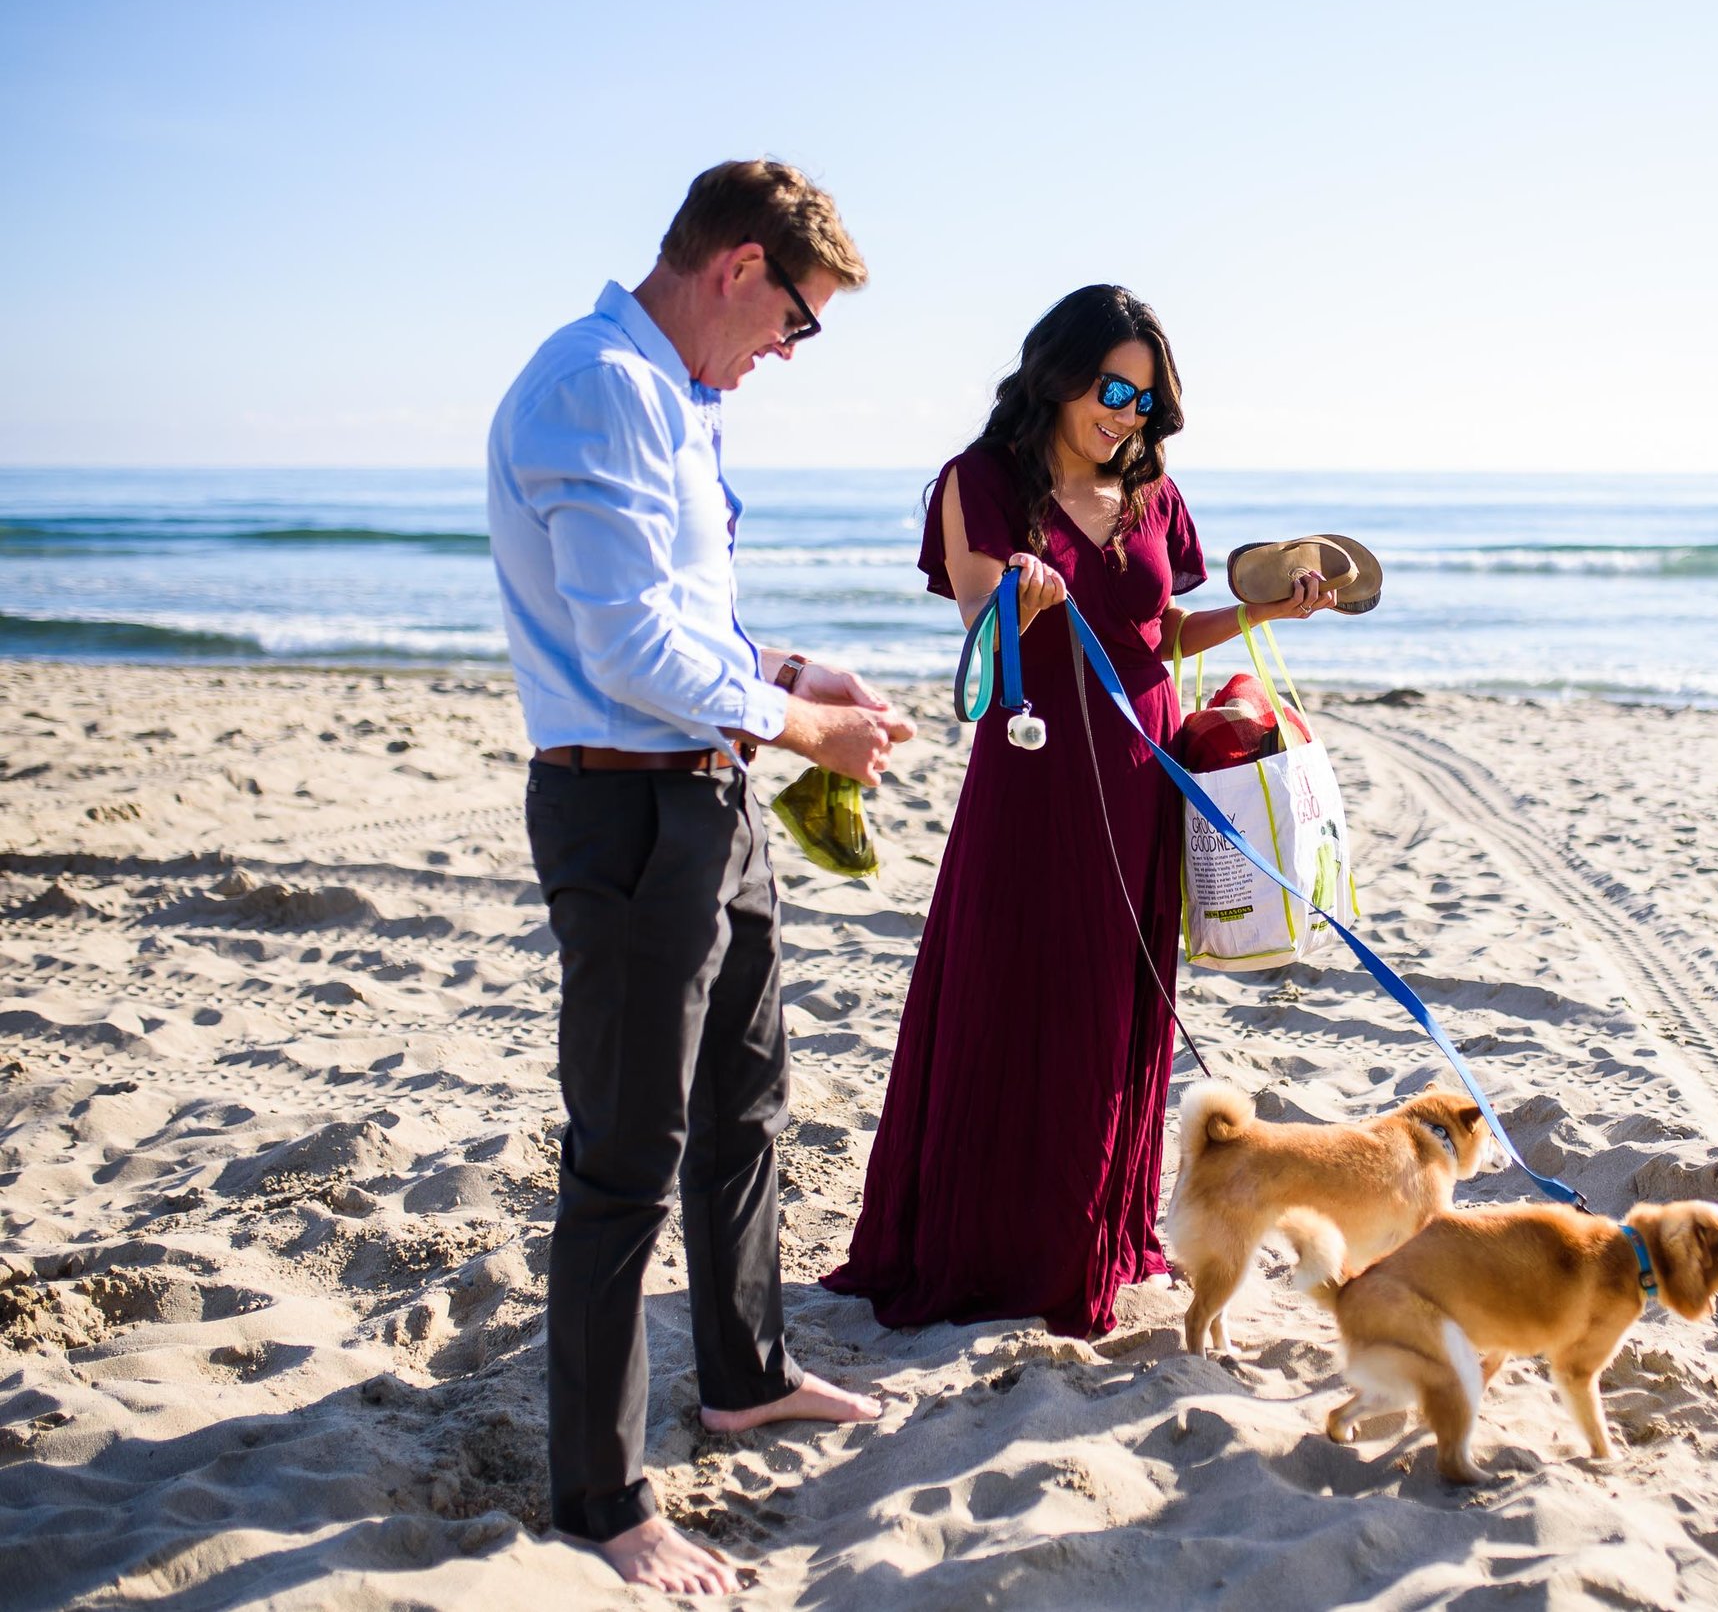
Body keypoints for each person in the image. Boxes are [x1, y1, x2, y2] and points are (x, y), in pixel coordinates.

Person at [485, 160, 916, 1597]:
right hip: (624, 814)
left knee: (746, 1103)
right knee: (625, 1158)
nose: (788, 353)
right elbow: (628, 659)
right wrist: (811, 730)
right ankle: (602, 1501)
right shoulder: (597, 386)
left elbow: (691, 623)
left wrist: (793, 672)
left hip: (707, 797)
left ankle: (744, 1375)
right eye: (798, 320)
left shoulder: (680, 400)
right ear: (740, 266)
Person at [822, 285, 1332, 1338]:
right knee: (1015, 994)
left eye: (1145, 401)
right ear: (1055, 374)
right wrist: (1018, 587)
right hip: (1038, 768)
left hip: (1142, 771)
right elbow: (976, 615)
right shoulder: (981, 482)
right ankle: (995, 1250)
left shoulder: (1154, 491)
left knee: (1112, 1008)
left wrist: (1265, 611)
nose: (1125, 416)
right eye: (1111, 390)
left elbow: (1160, 632)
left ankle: (1091, 1234)